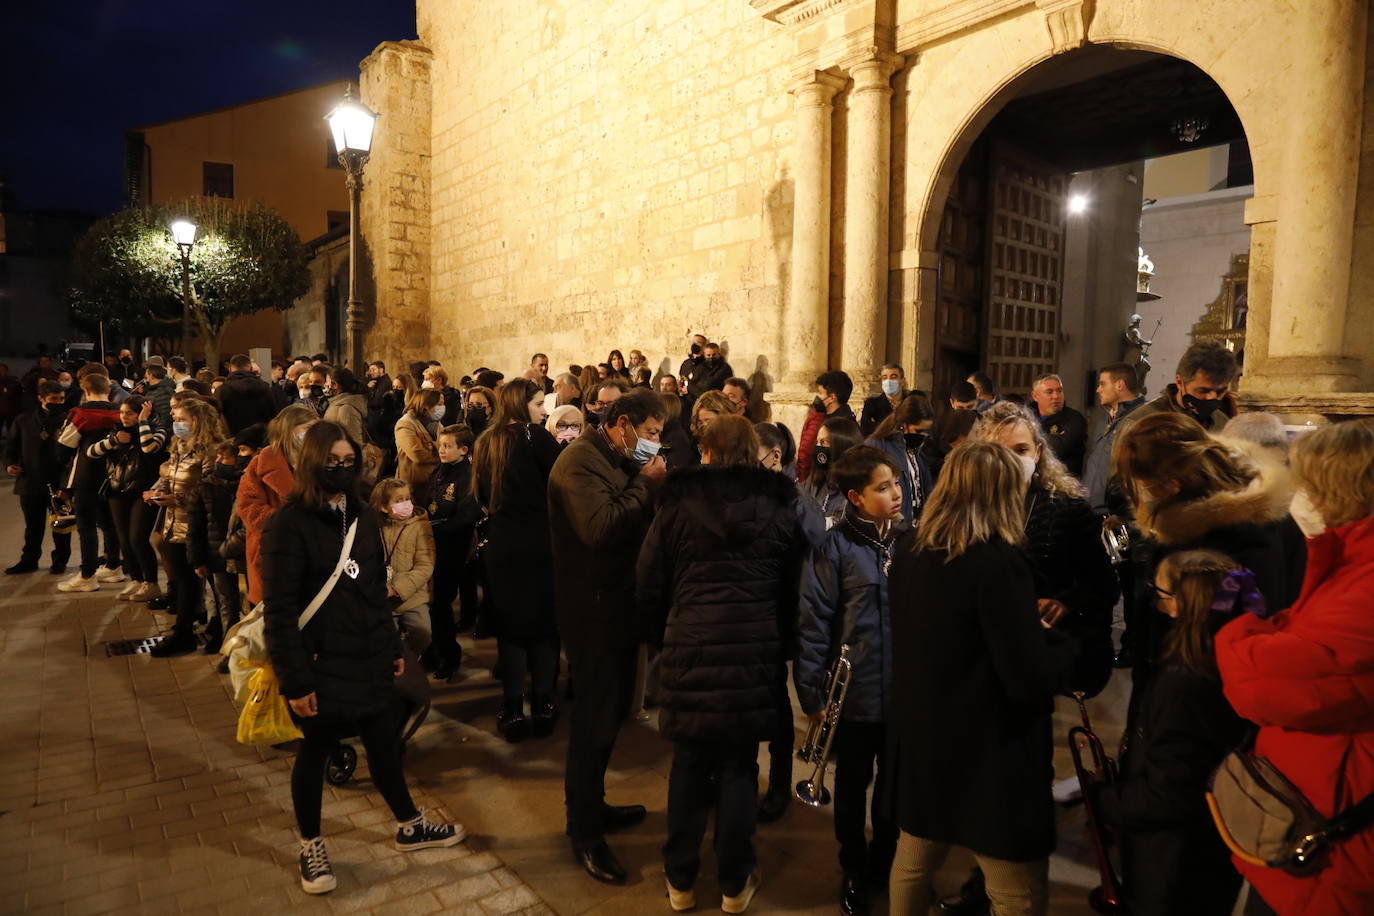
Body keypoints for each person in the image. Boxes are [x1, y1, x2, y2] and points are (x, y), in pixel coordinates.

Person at [262, 421, 463, 895]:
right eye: (331, 461)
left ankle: (410, 824)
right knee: (315, 752)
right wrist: (296, 681)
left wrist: (392, 649)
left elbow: (374, 590)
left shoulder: (360, 514)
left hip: (367, 655)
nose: (342, 469)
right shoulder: (287, 525)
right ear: (311, 463)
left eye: (349, 461)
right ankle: (311, 844)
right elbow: (281, 612)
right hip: (319, 660)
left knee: (384, 742)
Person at [887, 441, 1075, 916]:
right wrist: (1057, 645)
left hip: (927, 730)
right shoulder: (996, 562)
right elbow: (1023, 673)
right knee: (1017, 889)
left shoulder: (910, 549)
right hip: (990, 745)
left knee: (913, 860)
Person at [638, 414, 803, 914]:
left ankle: (680, 881)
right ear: (753, 454)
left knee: (688, 765)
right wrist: (784, 645)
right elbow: (792, 590)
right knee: (737, 768)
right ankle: (734, 883)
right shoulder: (779, 506)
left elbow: (648, 581)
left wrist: (661, 638)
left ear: (705, 452)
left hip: (691, 646)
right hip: (753, 651)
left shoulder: (675, 503)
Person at [1215, 419, 1374, 916]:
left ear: (1337, 489)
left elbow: (1262, 682)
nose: (1296, 490)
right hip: (1309, 801)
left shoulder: (1365, 579)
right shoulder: (1348, 556)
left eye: (1302, 478)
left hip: (1336, 830)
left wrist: (1237, 632)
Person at [548, 389, 668, 884]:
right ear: (623, 424)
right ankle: (584, 832)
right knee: (594, 720)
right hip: (591, 612)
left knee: (613, 712)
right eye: (651, 434)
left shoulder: (608, 456)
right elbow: (599, 527)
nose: (654, 445)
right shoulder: (579, 462)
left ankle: (594, 806)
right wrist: (644, 482)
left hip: (618, 606)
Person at [1089, 549, 1247, 916]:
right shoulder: (1232, 658)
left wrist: (1105, 801)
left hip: (1173, 861)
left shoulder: (1184, 685)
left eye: (1160, 595)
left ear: (1185, 604)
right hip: (1208, 849)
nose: (1155, 604)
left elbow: (1169, 794)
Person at [1114, 411, 1305, 695]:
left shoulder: (1233, 535)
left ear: (1172, 483)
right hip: (1190, 682)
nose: (1144, 495)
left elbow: (1245, 616)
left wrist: (1172, 603)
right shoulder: (1192, 514)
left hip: (1204, 690)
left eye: (1145, 484)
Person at [796, 446, 906, 916]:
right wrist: (811, 691)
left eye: (897, 483)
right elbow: (814, 620)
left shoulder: (909, 541)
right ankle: (853, 865)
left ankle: (885, 859)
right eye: (884, 487)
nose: (897, 493)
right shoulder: (833, 547)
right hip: (855, 691)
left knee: (894, 786)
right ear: (856, 497)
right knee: (852, 782)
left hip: (902, 692)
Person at [976, 401, 1118, 697]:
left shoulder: (1067, 508)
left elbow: (1102, 584)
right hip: (990, 653)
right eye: (1001, 452)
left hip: (1048, 649)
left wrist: (1065, 602)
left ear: (1038, 452)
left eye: (1022, 450)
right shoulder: (970, 509)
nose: (1012, 460)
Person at [472, 379, 563, 742]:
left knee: (510, 628)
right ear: (520, 404)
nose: (544, 411)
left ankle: (511, 707)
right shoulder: (534, 437)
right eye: (539, 404)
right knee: (544, 624)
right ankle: (543, 703)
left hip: (502, 543)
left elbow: (479, 493)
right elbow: (560, 484)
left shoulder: (485, 442)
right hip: (540, 541)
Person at [145, 398, 226, 656]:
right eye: (176, 420)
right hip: (174, 522)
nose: (177, 424)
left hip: (198, 526)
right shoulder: (179, 446)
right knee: (184, 581)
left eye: (183, 420)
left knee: (209, 583)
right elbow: (171, 478)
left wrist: (176, 499)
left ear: (199, 422)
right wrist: (158, 492)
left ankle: (207, 631)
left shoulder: (212, 450)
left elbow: (210, 490)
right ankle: (183, 632)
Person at [238, 405, 318, 607]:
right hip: (275, 552)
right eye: (306, 428)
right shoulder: (262, 463)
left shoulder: (321, 459)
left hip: (315, 552)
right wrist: (290, 521)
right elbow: (249, 508)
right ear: (289, 430)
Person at [88, 396, 167, 602]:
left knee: (137, 539)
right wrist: (114, 440)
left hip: (144, 492)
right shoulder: (116, 432)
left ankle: (151, 583)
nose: (124, 417)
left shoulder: (158, 430)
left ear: (144, 412)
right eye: (122, 412)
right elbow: (91, 452)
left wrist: (142, 422)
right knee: (123, 540)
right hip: (117, 491)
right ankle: (136, 580)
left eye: (129, 413)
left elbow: (149, 447)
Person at [56, 371, 124, 592]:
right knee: (110, 523)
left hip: (86, 475)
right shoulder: (121, 412)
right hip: (116, 475)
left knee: (86, 525)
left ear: (85, 390)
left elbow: (63, 447)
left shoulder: (80, 414)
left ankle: (87, 576)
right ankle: (114, 566)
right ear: (109, 389)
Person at [427, 424, 481, 675]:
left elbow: (466, 515)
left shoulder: (468, 475)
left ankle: (449, 654)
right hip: (436, 543)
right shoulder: (441, 471)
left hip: (455, 547)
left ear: (464, 449)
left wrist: (435, 528)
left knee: (441, 603)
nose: (442, 449)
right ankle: (434, 650)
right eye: (441, 444)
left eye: (448, 445)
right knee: (433, 603)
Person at [5, 381, 72, 575]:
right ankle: (29, 560)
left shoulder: (68, 420)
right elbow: (11, 447)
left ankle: (60, 561)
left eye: (61, 399)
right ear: (41, 399)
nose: (58, 403)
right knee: (33, 528)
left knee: (61, 526)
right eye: (53, 399)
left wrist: (68, 484)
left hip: (59, 482)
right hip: (30, 481)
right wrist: (9, 464)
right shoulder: (23, 421)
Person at [187, 438, 246, 653]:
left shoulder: (246, 484)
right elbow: (195, 527)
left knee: (246, 605)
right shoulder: (204, 487)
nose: (220, 461)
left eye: (226, 457)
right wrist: (197, 559)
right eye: (218, 457)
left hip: (242, 556)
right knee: (227, 606)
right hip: (217, 557)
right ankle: (229, 648)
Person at [371, 478, 436, 659]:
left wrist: (397, 588)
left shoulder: (420, 526)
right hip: (382, 598)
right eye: (399, 501)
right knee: (384, 639)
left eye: (408, 498)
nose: (406, 504)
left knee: (423, 632)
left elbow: (425, 566)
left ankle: (408, 659)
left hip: (412, 596)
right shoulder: (374, 527)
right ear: (384, 507)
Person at [1130, 341, 1239, 432]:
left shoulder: (1223, 424)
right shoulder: (1142, 423)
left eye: (1220, 392)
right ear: (1179, 382)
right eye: (1203, 390)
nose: (1212, 398)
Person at [1082, 363, 1146, 515]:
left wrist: (1124, 514)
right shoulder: (1104, 419)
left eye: (1103, 384)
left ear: (1120, 385)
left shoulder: (1141, 420)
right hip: (1088, 510)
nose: (1098, 389)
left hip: (1115, 514)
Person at [866, 394, 936, 525]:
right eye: (919, 430)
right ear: (904, 425)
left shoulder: (918, 450)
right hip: (893, 527)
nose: (924, 436)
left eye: (926, 431)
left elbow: (925, 488)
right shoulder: (878, 446)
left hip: (915, 527)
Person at [800, 416, 864, 530]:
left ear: (841, 446)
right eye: (817, 442)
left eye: (824, 442)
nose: (819, 447)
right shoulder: (816, 480)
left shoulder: (855, 492)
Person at [798, 370, 856, 482]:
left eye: (820, 393)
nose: (817, 397)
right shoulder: (821, 416)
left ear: (832, 398)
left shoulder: (843, 425)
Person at [1028, 374, 1087, 476]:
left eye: (1059, 391)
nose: (1056, 396)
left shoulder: (1074, 418)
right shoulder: (1026, 417)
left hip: (1064, 484)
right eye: (1049, 392)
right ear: (1035, 396)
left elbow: (1059, 448)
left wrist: (1029, 438)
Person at [394, 389, 443, 507]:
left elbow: (446, 444)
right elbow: (418, 455)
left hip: (432, 483)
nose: (442, 407)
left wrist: (431, 446)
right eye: (439, 404)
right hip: (414, 485)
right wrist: (440, 451)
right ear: (426, 405)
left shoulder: (435, 423)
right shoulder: (406, 424)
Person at [217, 354, 276, 434]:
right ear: (251, 368)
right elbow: (273, 415)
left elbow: (217, 419)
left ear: (230, 369)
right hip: (262, 439)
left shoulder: (222, 391)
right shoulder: (265, 388)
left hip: (233, 440)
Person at [859, 363, 909, 437]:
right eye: (885, 377)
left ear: (902, 381)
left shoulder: (910, 402)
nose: (888, 381)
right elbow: (865, 430)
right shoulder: (872, 404)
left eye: (893, 377)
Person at [0, 363, 22, 442]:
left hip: (10, 411)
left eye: (3, 370)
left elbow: (18, 395)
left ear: (7, 371)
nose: (1, 372)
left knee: (12, 432)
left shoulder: (13, 381)